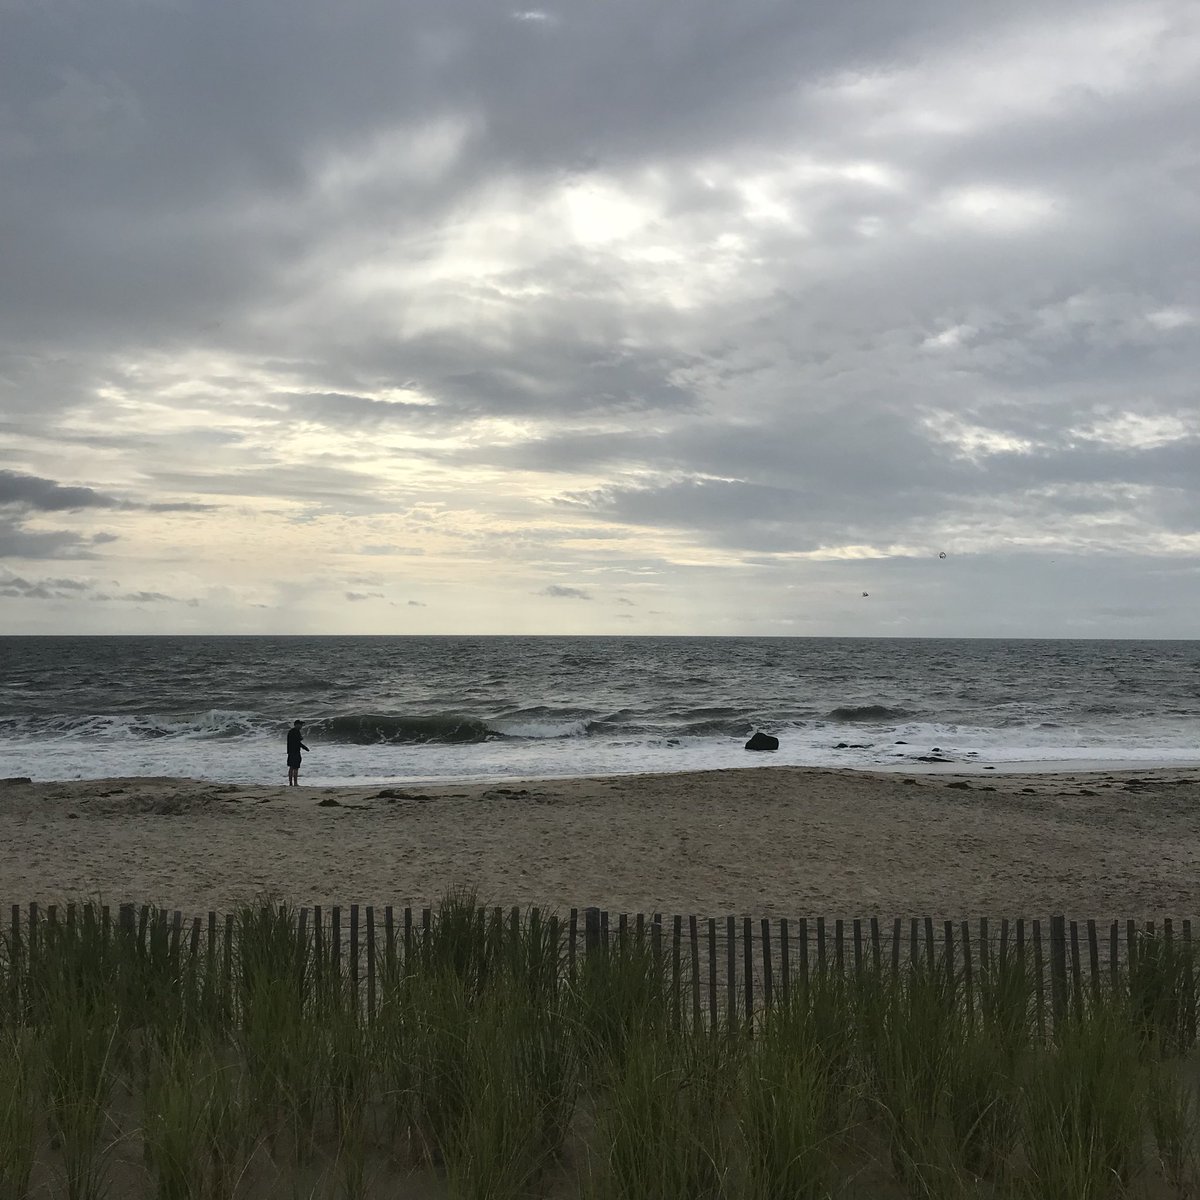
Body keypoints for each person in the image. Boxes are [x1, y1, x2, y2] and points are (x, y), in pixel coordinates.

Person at [286, 720, 309, 786]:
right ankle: (295, 783)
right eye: (300, 724)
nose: (301, 726)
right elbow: (297, 742)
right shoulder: (295, 732)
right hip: (295, 751)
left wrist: (300, 739)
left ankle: (290, 783)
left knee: (291, 767)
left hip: (290, 751)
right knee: (296, 767)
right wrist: (305, 747)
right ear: (296, 725)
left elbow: (295, 741)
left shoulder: (291, 731)